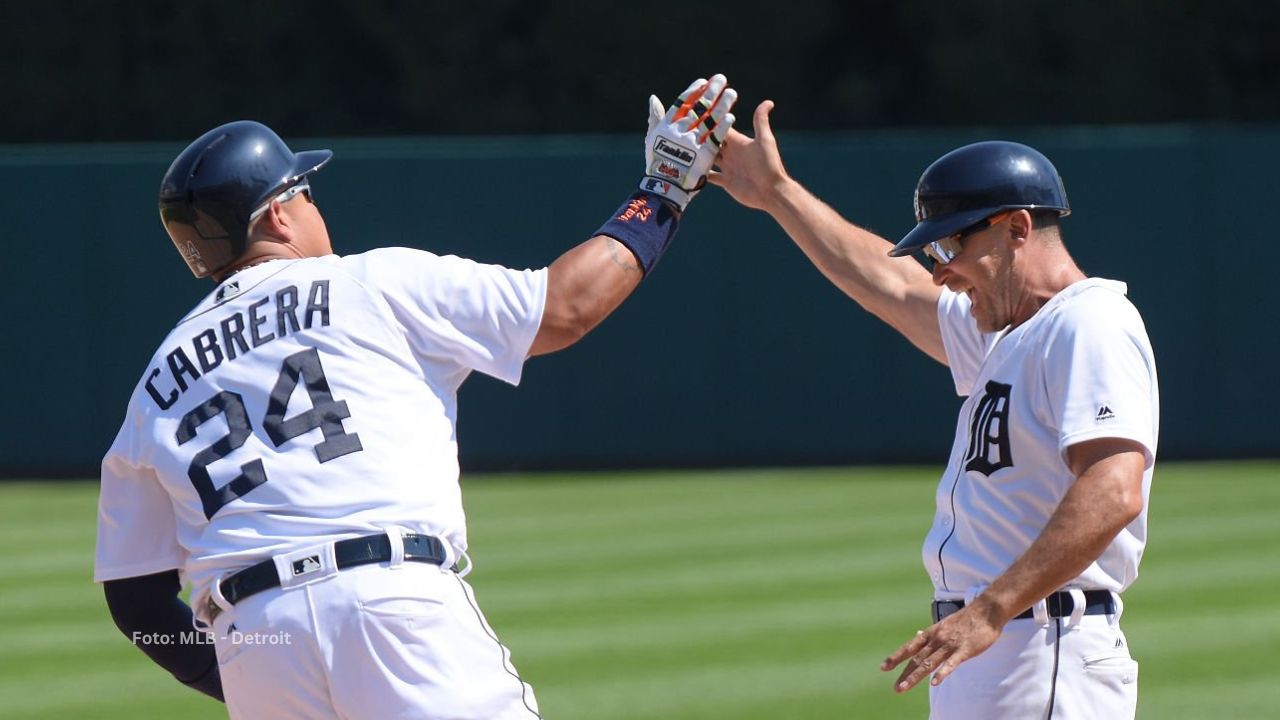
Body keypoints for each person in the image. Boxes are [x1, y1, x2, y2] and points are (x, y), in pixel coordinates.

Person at [94, 74, 737, 719]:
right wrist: (664, 189)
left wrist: (246, 668)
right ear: (279, 214)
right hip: (389, 604)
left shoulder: (156, 381)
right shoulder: (369, 282)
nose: (318, 207)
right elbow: (565, 307)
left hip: (255, 638)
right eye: (306, 192)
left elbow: (136, 603)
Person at [710, 101, 1157, 719]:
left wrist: (991, 609)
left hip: (1044, 642)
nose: (941, 271)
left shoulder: (1089, 321)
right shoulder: (1004, 333)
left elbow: (1113, 489)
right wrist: (777, 192)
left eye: (950, 244)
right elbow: (888, 284)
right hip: (998, 644)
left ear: (1017, 228)